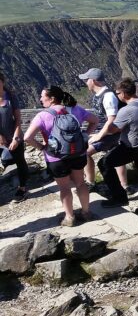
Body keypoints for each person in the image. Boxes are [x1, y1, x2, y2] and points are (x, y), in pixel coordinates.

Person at [23, 86, 93, 226]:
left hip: (56, 157)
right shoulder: (75, 110)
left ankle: (69, 218)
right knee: (80, 183)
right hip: (78, 154)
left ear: (52, 98)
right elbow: (95, 120)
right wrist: (85, 136)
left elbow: (27, 137)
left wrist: (43, 147)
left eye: (43, 96)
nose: (41, 99)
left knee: (65, 187)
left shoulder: (42, 115)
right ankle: (86, 212)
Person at [96, 79, 138, 215]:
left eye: (117, 93)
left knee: (105, 163)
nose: (117, 96)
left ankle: (119, 197)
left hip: (132, 147)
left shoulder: (127, 110)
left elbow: (113, 129)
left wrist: (105, 126)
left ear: (123, 94)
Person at [79, 67, 126, 193]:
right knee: (115, 155)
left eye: (87, 80)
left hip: (110, 133)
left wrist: (99, 135)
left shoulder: (108, 96)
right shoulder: (99, 95)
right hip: (106, 132)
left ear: (93, 81)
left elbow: (112, 119)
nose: (85, 82)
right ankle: (124, 185)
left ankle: (91, 182)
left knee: (85, 152)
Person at [0, 73, 29, 202]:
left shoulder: (11, 97)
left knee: (20, 161)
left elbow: (18, 119)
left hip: (14, 136)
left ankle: (22, 188)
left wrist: (16, 138)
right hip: (1, 138)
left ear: (2, 81)